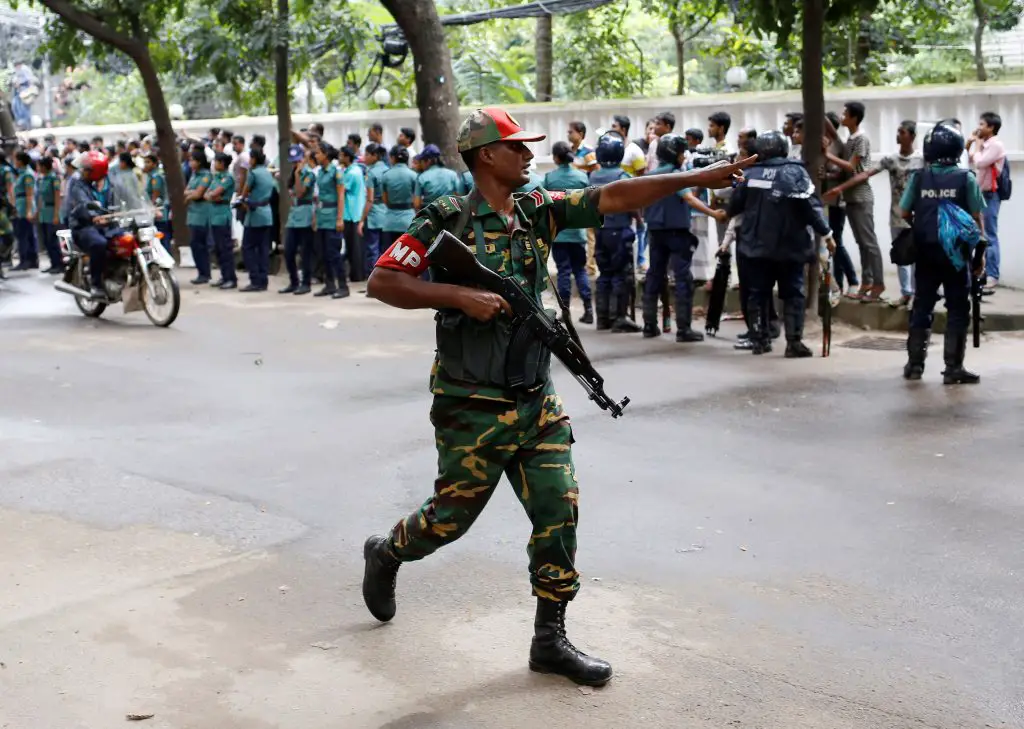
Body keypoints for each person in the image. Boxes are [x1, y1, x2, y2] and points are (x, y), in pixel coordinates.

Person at [361, 106, 752, 687]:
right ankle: (388, 553)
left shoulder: (536, 208)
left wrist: (693, 178)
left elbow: (615, 196)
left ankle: (549, 640)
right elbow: (383, 281)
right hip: (471, 404)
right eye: (516, 147)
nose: (528, 155)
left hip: (535, 399)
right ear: (486, 155)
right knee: (448, 520)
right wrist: (458, 296)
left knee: (558, 509)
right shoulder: (447, 217)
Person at [726, 131, 834, 357]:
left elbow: (734, 206)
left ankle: (759, 340)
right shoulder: (796, 172)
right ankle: (794, 343)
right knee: (793, 294)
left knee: (757, 294)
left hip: (756, 247)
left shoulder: (749, 173)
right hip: (790, 247)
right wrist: (826, 234)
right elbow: (811, 208)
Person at [900, 123, 986, 385]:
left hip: (925, 252)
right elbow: (976, 217)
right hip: (956, 255)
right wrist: (980, 254)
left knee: (922, 305)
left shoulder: (919, 177)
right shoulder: (966, 178)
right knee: (957, 308)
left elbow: (904, 212)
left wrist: (924, 223)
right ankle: (953, 368)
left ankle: (915, 365)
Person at [825, 120, 922, 306]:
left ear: (912, 136)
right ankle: (906, 293)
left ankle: (917, 295)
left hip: (917, 216)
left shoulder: (921, 160)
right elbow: (865, 174)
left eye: (902, 132)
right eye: (898, 131)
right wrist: (840, 188)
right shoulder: (891, 159)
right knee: (901, 256)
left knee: (917, 257)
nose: (898, 135)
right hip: (897, 215)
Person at [642, 134, 726, 342]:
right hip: (677, 234)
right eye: (681, 153)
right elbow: (689, 199)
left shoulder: (649, 176)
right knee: (683, 280)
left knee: (654, 276)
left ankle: (649, 325)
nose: (684, 157)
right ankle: (683, 328)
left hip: (655, 232)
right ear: (675, 155)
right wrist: (714, 214)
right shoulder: (676, 176)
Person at [827, 101, 885, 301]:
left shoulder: (861, 139)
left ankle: (878, 283)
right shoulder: (850, 140)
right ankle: (867, 282)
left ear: (854, 118)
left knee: (869, 243)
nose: (842, 116)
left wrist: (828, 156)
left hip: (861, 197)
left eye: (845, 114)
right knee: (862, 243)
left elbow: (852, 168)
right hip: (851, 199)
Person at [589, 131, 641, 333]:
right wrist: (639, 219)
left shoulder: (593, 176)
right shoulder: (623, 176)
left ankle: (603, 318)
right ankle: (619, 317)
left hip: (600, 230)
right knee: (622, 274)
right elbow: (632, 203)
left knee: (604, 273)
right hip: (619, 230)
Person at [544, 141, 593, 324]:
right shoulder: (582, 177)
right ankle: (589, 309)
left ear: (556, 158)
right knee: (580, 270)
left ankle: (565, 312)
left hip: (559, 234)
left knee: (563, 271)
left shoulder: (549, 178)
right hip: (578, 233)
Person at [64, 151, 112, 298]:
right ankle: (96, 284)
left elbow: (120, 197)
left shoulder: (107, 182)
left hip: (106, 223)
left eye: (86, 168)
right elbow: (83, 203)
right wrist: (94, 216)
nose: (82, 170)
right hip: (83, 225)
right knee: (99, 244)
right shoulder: (77, 182)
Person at [967, 111, 1006, 290]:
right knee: (979, 235)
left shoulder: (996, 145)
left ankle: (992, 275)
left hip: (990, 195)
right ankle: (980, 272)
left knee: (989, 234)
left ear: (991, 127)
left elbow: (980, 163)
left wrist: (976, 146)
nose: (979, 128)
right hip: (980, 193)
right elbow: (970, 160)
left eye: (982, 124)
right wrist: (970, 145)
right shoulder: (984, 145)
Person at [822, 111, 858, 295]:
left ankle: (852, 279)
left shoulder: (839, 145)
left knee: (836, 241)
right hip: (825, 200)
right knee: (830, 243)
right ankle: (838, 282)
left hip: (837, 201)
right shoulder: (822, 144)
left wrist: (827, 175)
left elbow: (843, 172)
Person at [313, 143, 349, 299]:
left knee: (334, 253)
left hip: (332, 216)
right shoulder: (320, 172)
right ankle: (329, 285)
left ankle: (343, 286)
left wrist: (340, 218)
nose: (316, 156)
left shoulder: (336, 172)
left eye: (318, 153)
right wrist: (315, 217)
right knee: (323, 253)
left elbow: (341, 196)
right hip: (322, 216)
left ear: (326, 154)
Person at [279, 145, 315, 295]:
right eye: (293, 161)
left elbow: (300, 193)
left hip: (306, 216)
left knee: (305, 253)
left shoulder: (308, 174)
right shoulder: (293, 175)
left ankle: (306, 283)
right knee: (288, 251)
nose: (296, 164)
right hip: (294, 216)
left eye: (298, 160)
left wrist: (297, 174)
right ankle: (294, 281)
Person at [239, 148, 274, 292]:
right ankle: (263, 281)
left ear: (254, 159)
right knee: (263, 249)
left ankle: (255, 280)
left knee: (247, 248)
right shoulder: (267, 172)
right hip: (267, 213)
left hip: (255, 215)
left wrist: (243, 200)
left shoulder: (252, 173)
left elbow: (244, 193)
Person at [206, 152, 237, 289]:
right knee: (218, 249)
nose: (214, 164)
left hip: (222, 216)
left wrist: (213, 196)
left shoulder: (228, 178)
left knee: (225, 249)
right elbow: (207, 194)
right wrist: (212, 196)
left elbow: (214, 193)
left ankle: (231, 278)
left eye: (217, 162)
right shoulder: (216, 177)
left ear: (222, 164)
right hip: (214, 216)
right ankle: (224, 276)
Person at [380, 144, 418, 254]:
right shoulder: (413, 175)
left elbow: (385, 200)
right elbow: (416, 200)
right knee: (406, 255)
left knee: (389, 256)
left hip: (390, 222)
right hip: (408, 221)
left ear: (392, 158)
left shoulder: (386, 175)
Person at [183, 148, 213, 285]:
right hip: (193, 213)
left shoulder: (206, 175)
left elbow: (198, 194)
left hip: (202, 214)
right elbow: (186, 191)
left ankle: (204, 273)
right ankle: (201, 272)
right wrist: (192, 194)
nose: (190, 163)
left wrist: (192, 195)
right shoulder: (194, 175)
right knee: (195, 245)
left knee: (200, 245)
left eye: (192, 160)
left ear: (199, 162)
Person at [340, 145, 367, 283]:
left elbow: (341, 190)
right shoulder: (355, 170)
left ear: (347, 157)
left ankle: (356, 275)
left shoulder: (351, 173)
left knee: (353, 247)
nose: (339, 157)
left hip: (351, 214)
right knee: (354, 247)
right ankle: (356, 274)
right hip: (355, 212)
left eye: (341, 155)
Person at [362, 143, 389, 276]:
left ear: (375, 156)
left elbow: (370, 199)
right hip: (387, 213)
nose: (364, 157)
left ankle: (374, 278)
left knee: (372, 249)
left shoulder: (371, 172)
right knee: (386, 249)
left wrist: (362, 219)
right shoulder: (388, 169)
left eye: (367, 154)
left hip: (374, 215)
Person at [35, 156, 63, 274]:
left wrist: (56, 215)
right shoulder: (42, 179)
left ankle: (58, 264)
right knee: (46, 240)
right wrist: (38, 212)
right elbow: (41, 197)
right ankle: (53, 263)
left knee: (52, 240)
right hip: (44, 212)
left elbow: (57, 197)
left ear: (44, 167)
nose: (38, 168)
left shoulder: (54, 179)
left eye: (39, 166)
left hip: (52, 211)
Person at [11, 151, 38, 271]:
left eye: (16, 159)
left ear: (20, 161)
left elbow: (29, 194)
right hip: (20, 205)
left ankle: (26, 260)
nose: (14, 162)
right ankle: (30, 260)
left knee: (24, 235)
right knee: (26, 234)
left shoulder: (27, 174)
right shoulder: (21, 173)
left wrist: (28, 211)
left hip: (25, 207)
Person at [413, 144, 460, 211]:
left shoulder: (421, 177)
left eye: (422, 161)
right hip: (450, 213)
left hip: (430, 214)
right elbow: (459, 196)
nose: (422, 164)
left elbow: (417, 204)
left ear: (428, 161)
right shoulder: (452, 174)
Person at [143, 153, 171, 252]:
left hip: (159, 210)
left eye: (148, 162)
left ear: (154, 164)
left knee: (162, 236)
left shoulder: (156, 176)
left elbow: (155, 195)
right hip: (156, 210)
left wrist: (152, 208)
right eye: (145, 162)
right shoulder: (151, 175)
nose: (145, 164)